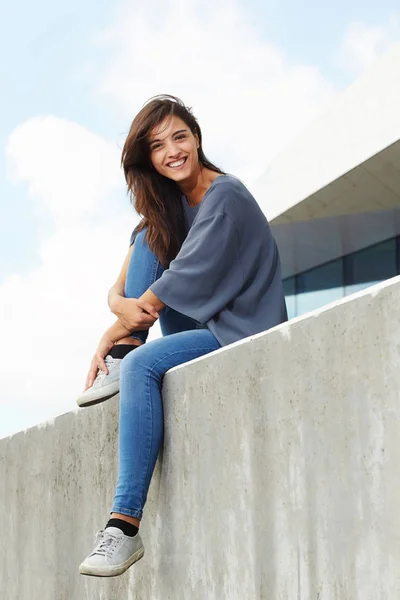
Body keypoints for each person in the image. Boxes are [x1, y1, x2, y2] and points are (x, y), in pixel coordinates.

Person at [77, 95, 288, 577]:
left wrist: (111, 339)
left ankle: (123, 528)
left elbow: (158, 297)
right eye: (157, 145)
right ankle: (128, 357)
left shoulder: (225, 197)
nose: (172, 150)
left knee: (144, 365)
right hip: (199, 327)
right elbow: (120, 289)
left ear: (197, 139)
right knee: (150, 233)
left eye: (180, 136)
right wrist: (117, 318)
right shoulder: (168, 209)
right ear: (147, 158)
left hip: (243, 330)